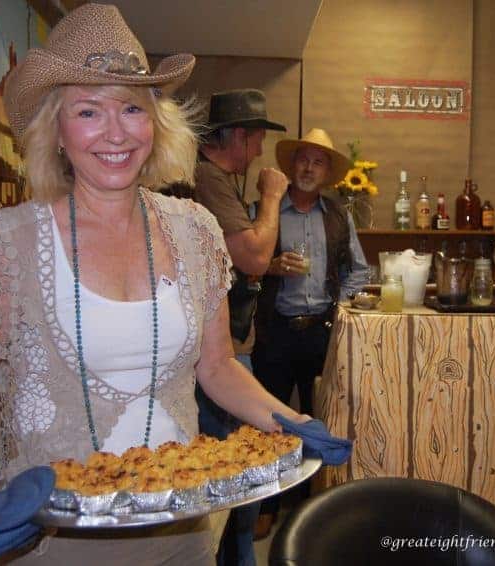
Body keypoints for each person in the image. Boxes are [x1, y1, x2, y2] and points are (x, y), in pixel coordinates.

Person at [0, 5, 308, 564]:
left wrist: (295, 423)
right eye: (87, 111)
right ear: (56, 131)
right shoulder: (7, 245)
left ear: (156, 125)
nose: (114, 133)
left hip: (181, 529)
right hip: (53, 535)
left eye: (132, 108)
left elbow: (218, 367)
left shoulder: (195, 230)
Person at [251, 128, 370, 538]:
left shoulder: (338, 215)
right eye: (303, 159)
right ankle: (266, 506)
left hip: (322, 331)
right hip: (277, 332)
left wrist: (340, 304)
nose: (308, 167)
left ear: (327, 173)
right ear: (291, 165)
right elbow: (242, 266)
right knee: (271, 421)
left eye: (318, 162)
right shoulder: (265, 211)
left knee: (321, 420)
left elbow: (359, 269)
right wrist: (270, 267)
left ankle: (313, 510)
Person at [192, 89, 288, 566]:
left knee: (236, 482)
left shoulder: (214, 179)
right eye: (255, 140)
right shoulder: (208, 179)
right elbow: (252, 254)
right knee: (235, 479)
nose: (258, 152)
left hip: (228, 339)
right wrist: (270, 199)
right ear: (234, 135)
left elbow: (236, 262)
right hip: (220, 349)